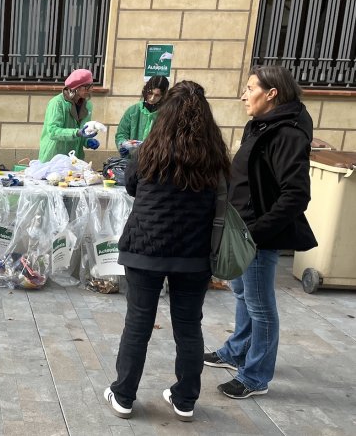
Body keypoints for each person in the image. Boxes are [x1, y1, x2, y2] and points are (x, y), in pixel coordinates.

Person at [104, 81, 231, 422]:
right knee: (189, 326)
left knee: (138, 322)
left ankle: (124, 395)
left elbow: (130, 185)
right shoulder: (215, 156)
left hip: (145, 247)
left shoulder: (149, 151)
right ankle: (185, 400)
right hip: (194, 254)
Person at [204, 65, 316, 399]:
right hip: (244, 231)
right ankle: (237, 350)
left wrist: (254, 234)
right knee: (242, 293)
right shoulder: (264, 126)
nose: (243, 94)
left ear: (272, 94)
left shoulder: (287, 134)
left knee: (261, 307)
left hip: (256, 236)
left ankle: (255, 376)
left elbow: (296, 195)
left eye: (250, 88)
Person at [38, 69, 105, 161]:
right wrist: (77, 133)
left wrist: (87, 141)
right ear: (76, 88)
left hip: (74, 159)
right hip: (54, 158)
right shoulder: (57, 103)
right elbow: (52, 131)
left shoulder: (87, 105)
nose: (90, 90)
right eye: (87, 87)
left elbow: (83, 130)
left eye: (91, 86)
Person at [115, 75, 169, 156]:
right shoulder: (133, 111)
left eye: (157, 95)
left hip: (155, 160)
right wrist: (123, 145)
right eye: (150, 93)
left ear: (163, 96)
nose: (152, 98)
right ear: (146, 91)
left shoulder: (166, 114)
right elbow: (121, 134)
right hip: (132, 159)